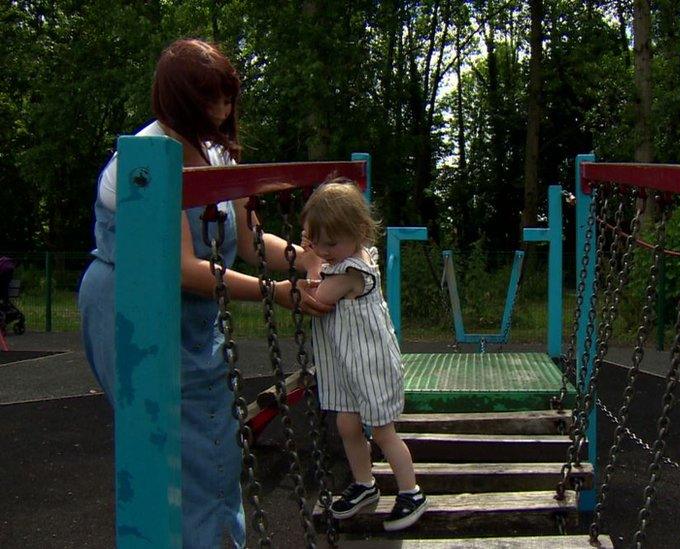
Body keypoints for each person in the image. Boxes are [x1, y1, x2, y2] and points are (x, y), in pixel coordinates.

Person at [77, 38, 329, 548]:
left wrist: (309, 259)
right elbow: (184, 269)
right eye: (211, 99)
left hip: (188, 311)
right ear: (179, 100)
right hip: (131, 309)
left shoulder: (215, 153)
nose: (222, 110)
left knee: (202, 439)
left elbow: (250, 238)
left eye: (227, 97)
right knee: (186, 440)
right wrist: (278, 292)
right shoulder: (145, 160)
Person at [300, 179, 428, 532]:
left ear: (356, 233)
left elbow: (317, 299)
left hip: (370, 364)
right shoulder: (353, 252)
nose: (324, 251)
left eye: (330, 244)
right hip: (346, 363)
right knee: (347, 423)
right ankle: (365, 484)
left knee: (383, 431)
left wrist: (309, 267)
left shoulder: (352, 270)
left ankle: (411, 492)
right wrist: (316, 250)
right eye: (317, 243)